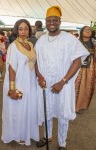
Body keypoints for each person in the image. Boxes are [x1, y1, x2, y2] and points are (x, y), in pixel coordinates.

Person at [35, 6, 89, 150]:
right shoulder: (41, 41)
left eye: (55, 20)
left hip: (63, 85)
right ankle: (47, 136)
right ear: (45, 22)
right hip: (45, 84)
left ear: (60, 21)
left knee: (63, 114)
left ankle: (62, 143)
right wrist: (39, 77)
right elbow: (36, 61)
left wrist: (63, 81)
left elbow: (77, 61)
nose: (51, 23)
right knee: (47, 111)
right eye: (49, 20)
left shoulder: (69, 39)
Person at [1, 19, 39, 146]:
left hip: (30, 82)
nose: (23, 31)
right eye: (20, 29)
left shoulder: (31, 45)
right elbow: (11, 68)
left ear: (29, 30)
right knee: (18, 109)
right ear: (16, 30)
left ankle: (28, 133)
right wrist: (12, 89)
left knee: (28, 108)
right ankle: (18, 135)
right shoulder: (13, 46)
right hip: (18, 82)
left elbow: (34, 63)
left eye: (26, 29)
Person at [75, 26, 96, 113]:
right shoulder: (77, 42)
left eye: (89, 30)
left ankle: (80, 106)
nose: (88, 31)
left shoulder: (93, 43)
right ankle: (73, 106)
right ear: (82, 32)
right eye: (86, 30)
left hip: (90, 67)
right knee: (77, 86)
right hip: (78, 67)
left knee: (86, 86)